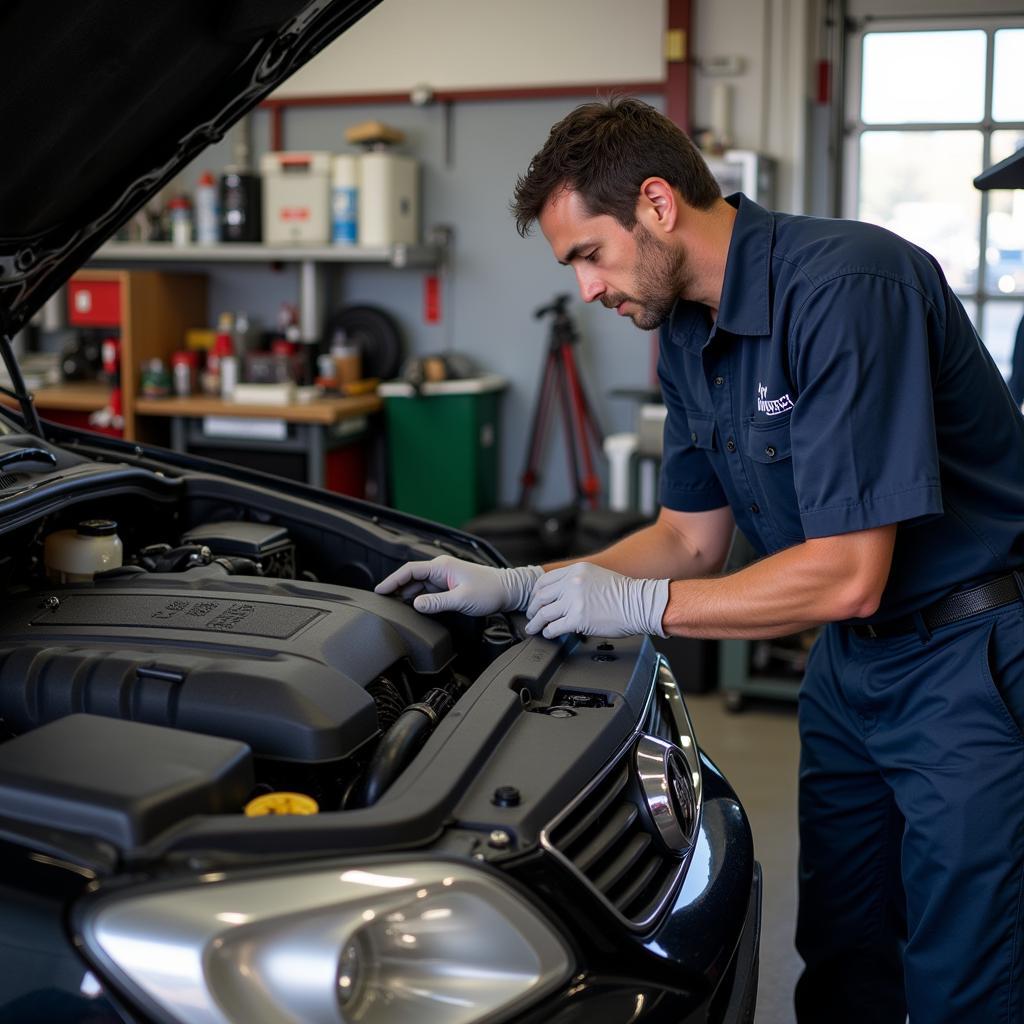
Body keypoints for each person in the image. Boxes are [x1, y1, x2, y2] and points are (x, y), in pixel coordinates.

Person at [375, 97, 1024, 1023]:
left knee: (967, 977)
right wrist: (527, 587)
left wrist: (639, 607)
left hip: (967, 661)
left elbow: (847, 571)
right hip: (852, 668)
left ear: (656, 203)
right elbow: (689, 539)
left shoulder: (847, 287)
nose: (588, 290)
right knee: (843, 952)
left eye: (588, 255)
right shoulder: (685, 329)